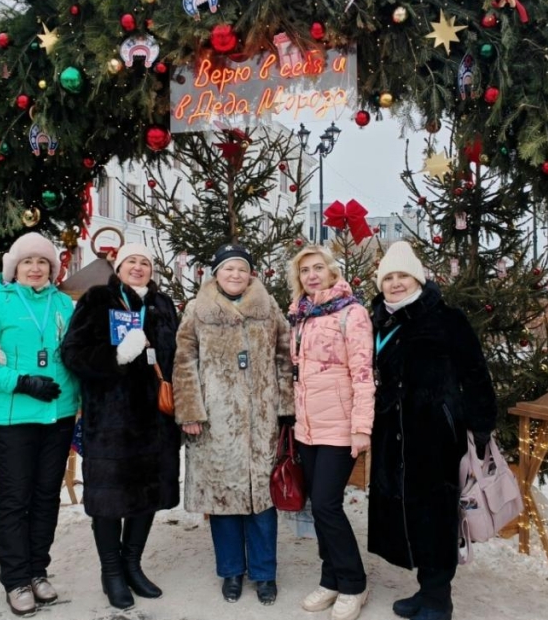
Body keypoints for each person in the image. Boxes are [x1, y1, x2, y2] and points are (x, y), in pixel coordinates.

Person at [367, 241, 497, 620]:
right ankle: (426, 590)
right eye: (388, 277)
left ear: (418, 279)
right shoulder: (379, 321)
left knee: (436, 515)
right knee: (410, 513)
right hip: (392, 433)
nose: (395, 283)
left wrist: (481, 424)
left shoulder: (446, 318)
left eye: (402, 276)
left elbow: (475, 372)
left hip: (435, 434)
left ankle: (439, 599)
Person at [0, 232, 80, 617]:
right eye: (28, 261)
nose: (35, 268)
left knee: (47, 497)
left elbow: (77, 357)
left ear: (52, 269)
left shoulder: (64, 305)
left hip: (59, 416)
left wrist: (84, 399)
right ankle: (15, 579)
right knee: (16, 500)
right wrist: (20, 382)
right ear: (15, 267)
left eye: (42, 262)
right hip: (13, 419)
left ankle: (38, 570)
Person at [59, 243, 180, 610]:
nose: (138, 267)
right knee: (109, 501)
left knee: (147, 497)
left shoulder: (162, 305)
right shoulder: (99, 299)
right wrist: (115, 357)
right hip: (112, 422)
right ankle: (111, 572)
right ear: (119, 266)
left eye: (145, 262)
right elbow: (73, 353)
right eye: (131, 261)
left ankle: (133, 565)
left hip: (155, 421)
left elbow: (177, 357)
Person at [172, 243, 293, 606]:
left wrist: (285, 407)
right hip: (216, 423)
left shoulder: (268, 307)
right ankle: (231, 571)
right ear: (216, 273)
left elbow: (284, 356)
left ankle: (264, 573)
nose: (235, 274)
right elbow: (184, 361)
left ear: (250, 273)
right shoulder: (197, 309)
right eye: (228, 268)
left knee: (262, 500)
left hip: (261, 421)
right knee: (222, 499)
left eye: (241, 268)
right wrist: (190, 411)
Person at [286, 244, 374, 620]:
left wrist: (361, 428)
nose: (312, 275)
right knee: (318, 507)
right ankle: (330, 578)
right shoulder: (300, 315)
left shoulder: (351, 313)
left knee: (326, 504)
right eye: (305, 270)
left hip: (340, 426)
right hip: (307, 427)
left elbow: (363, 374)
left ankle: (354, 583)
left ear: (332, 271)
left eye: (318, 268)